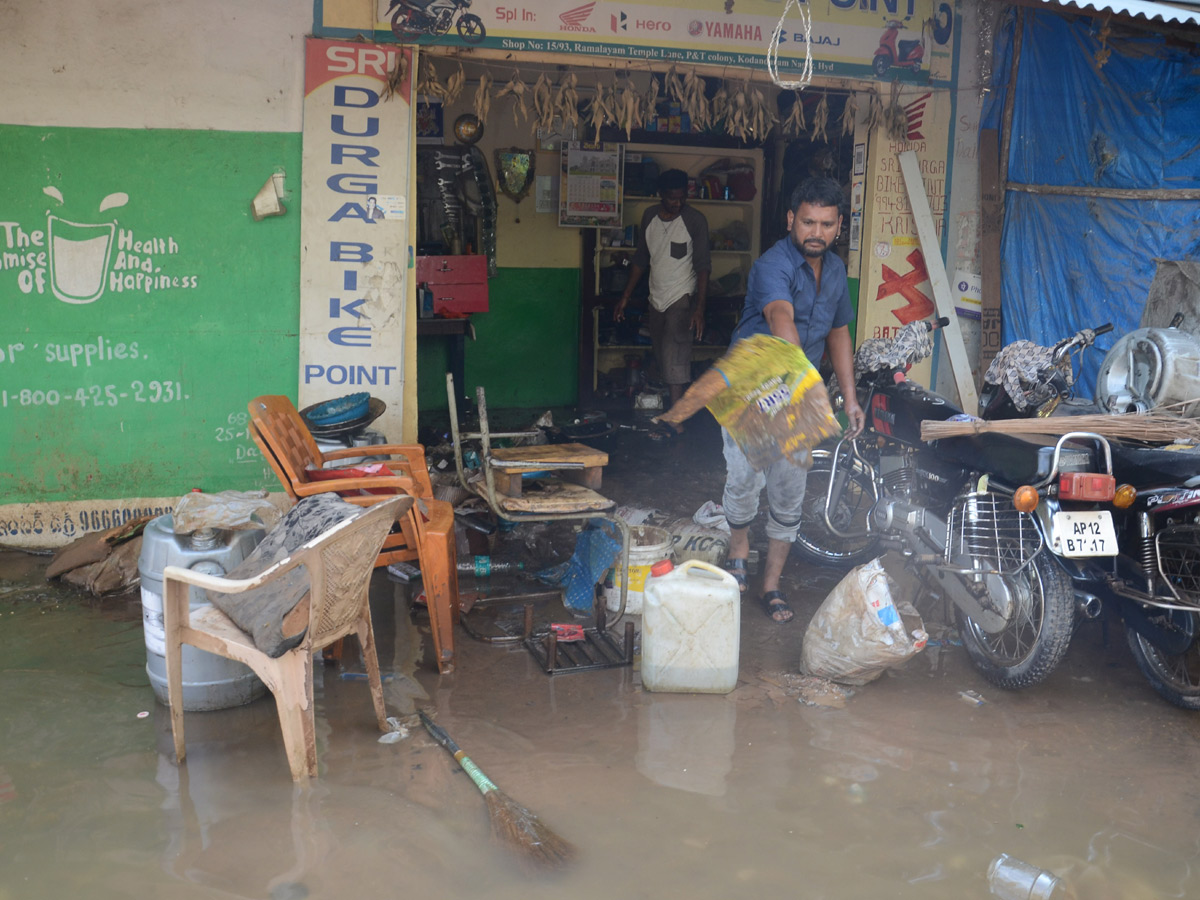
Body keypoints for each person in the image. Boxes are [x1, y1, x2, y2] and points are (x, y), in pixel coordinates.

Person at [722, 175, 865, 623]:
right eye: (807, 222)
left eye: (825, 223)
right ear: (791, 220)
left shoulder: (838, 271)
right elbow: (781, 317)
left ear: (839, 225)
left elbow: (838, 330)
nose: (816, 232)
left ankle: (770, 584)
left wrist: (850, 395)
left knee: (788, 492)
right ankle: (739, 548)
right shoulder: (772, 264)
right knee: (745, 485)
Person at [614, 169, 711, 433]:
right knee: (661, 353)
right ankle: (673, 412)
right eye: (671, 198)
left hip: (681, 297)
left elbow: (703, 266)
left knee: (675, 354)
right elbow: (640, 260)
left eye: (681, 197)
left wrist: (699, 308)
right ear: (661, 196)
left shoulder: (695, 221)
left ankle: (677, 418)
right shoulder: (650, 218)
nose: (677, 203)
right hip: (655, 297)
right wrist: (625, 296)